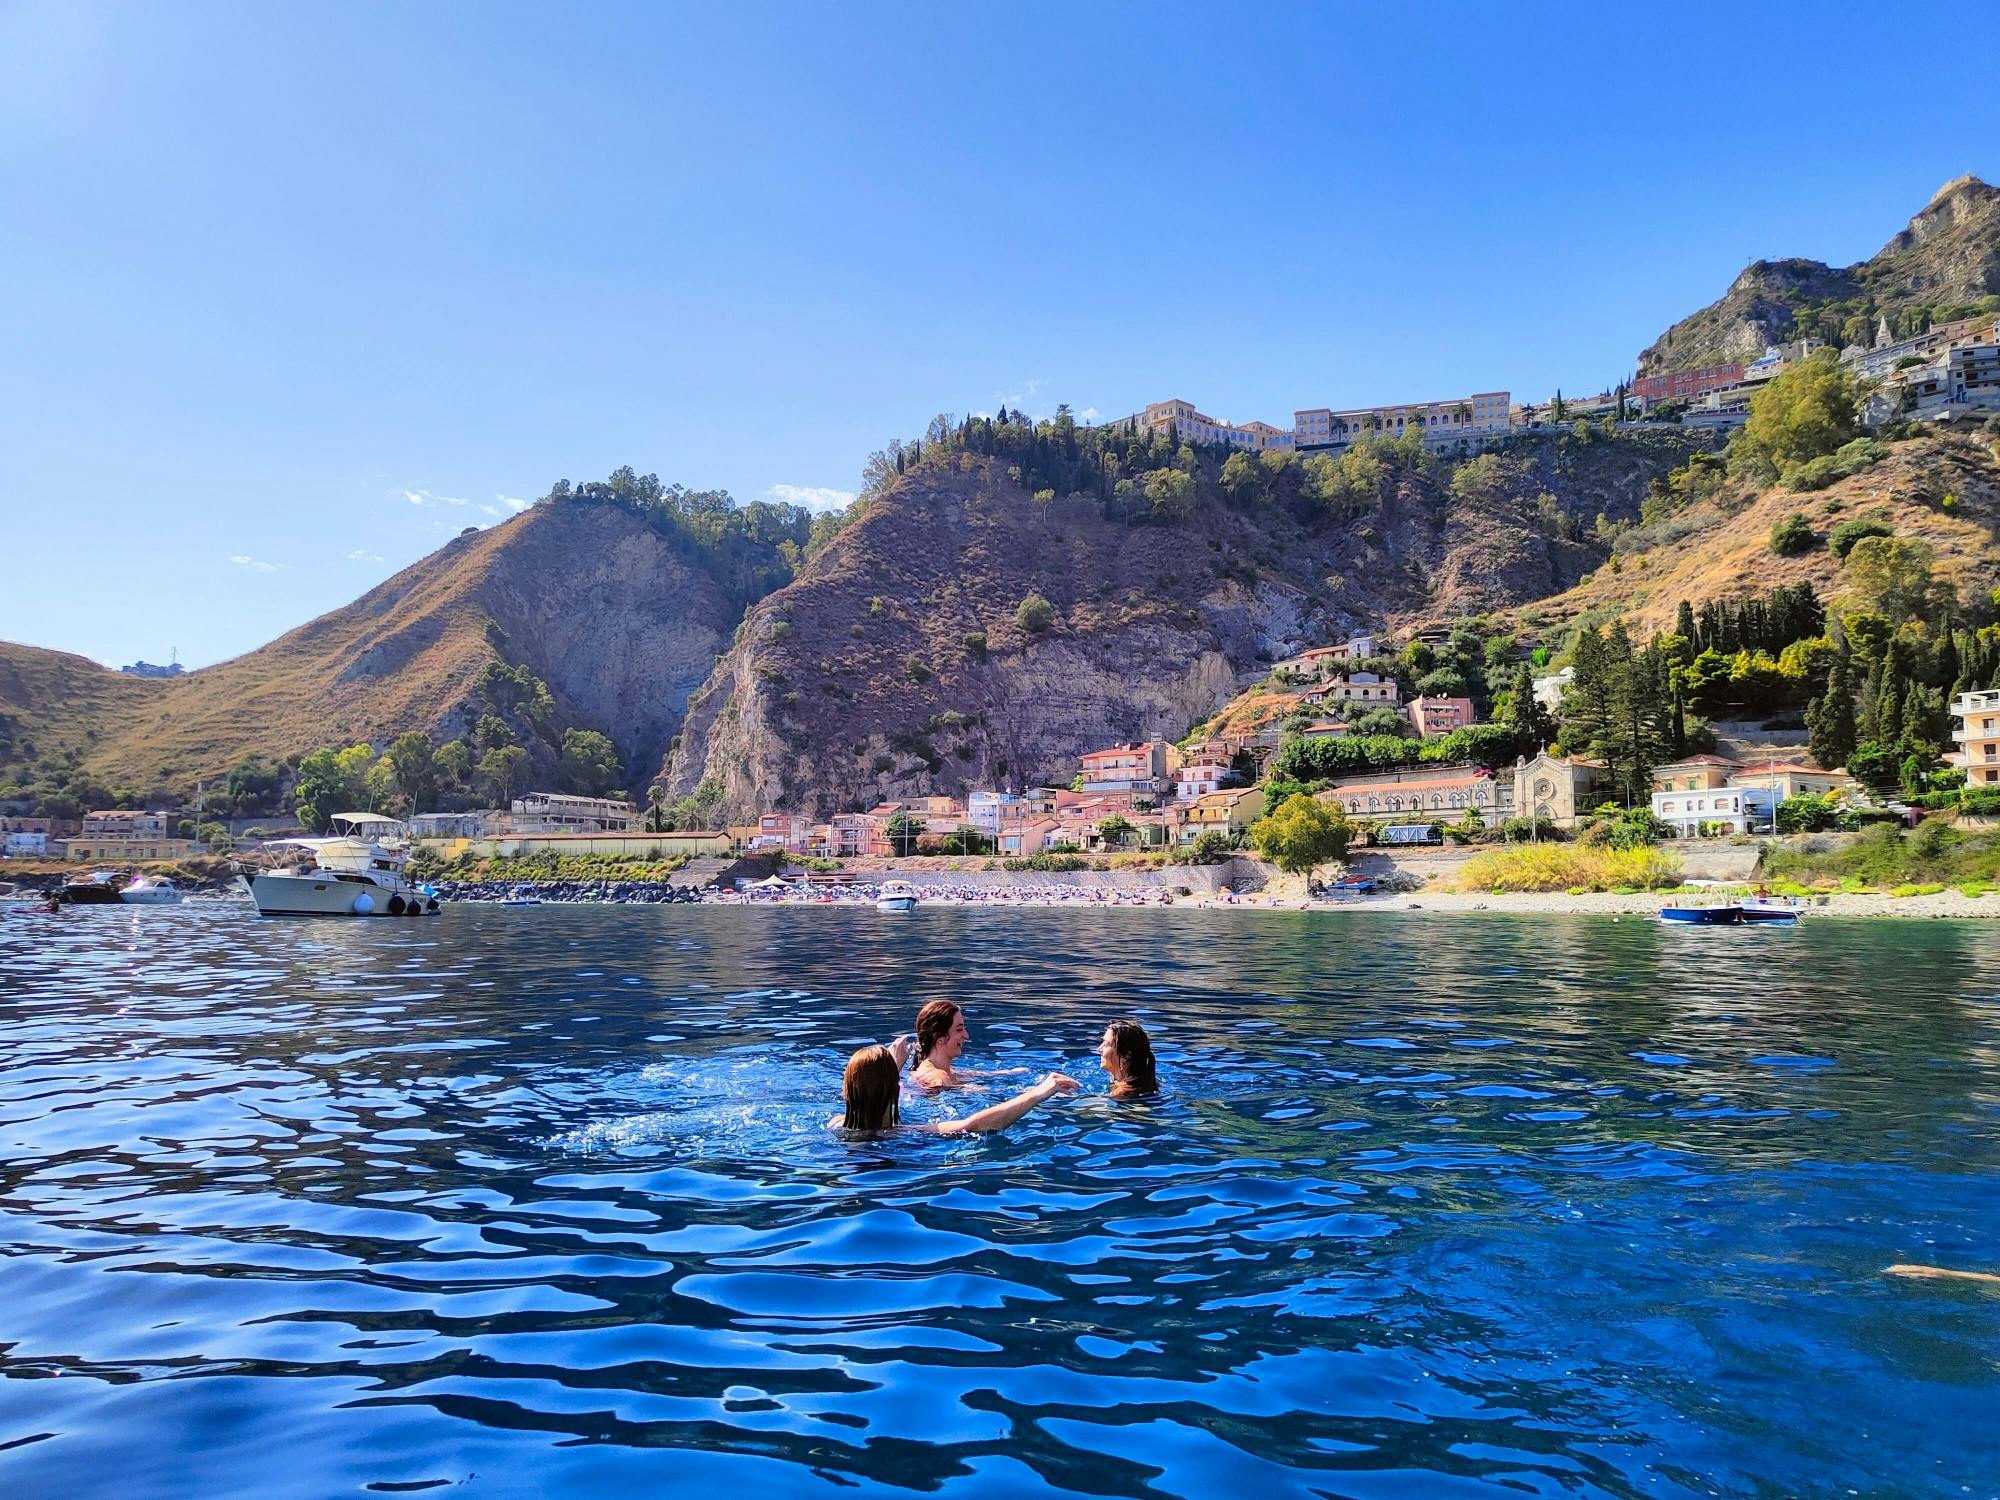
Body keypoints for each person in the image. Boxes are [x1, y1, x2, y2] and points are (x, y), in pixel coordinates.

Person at [831, 1040, 1078, 1134]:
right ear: (896, 1089)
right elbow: (971, 1125)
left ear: (847, 1090)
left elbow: (868, 1091)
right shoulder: (903, 1133)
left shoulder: (835, 1123)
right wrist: (1038, 1093)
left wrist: (893, 1066)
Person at [910, 998, 1025, 1090]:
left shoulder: (943, 1070)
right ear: (940, 1038)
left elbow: (966, 1075)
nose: (966, 1036)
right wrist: (1020, 1091)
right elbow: (940, 1084)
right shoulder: (938, 1075)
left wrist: (1007, 1073)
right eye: (959, 1030)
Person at [1097, 1018, 1158, 1099]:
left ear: (1125, 1056)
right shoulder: (1147, 1080)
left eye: (1106, 1044)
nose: (1099, 1049)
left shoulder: (1123, 1094)